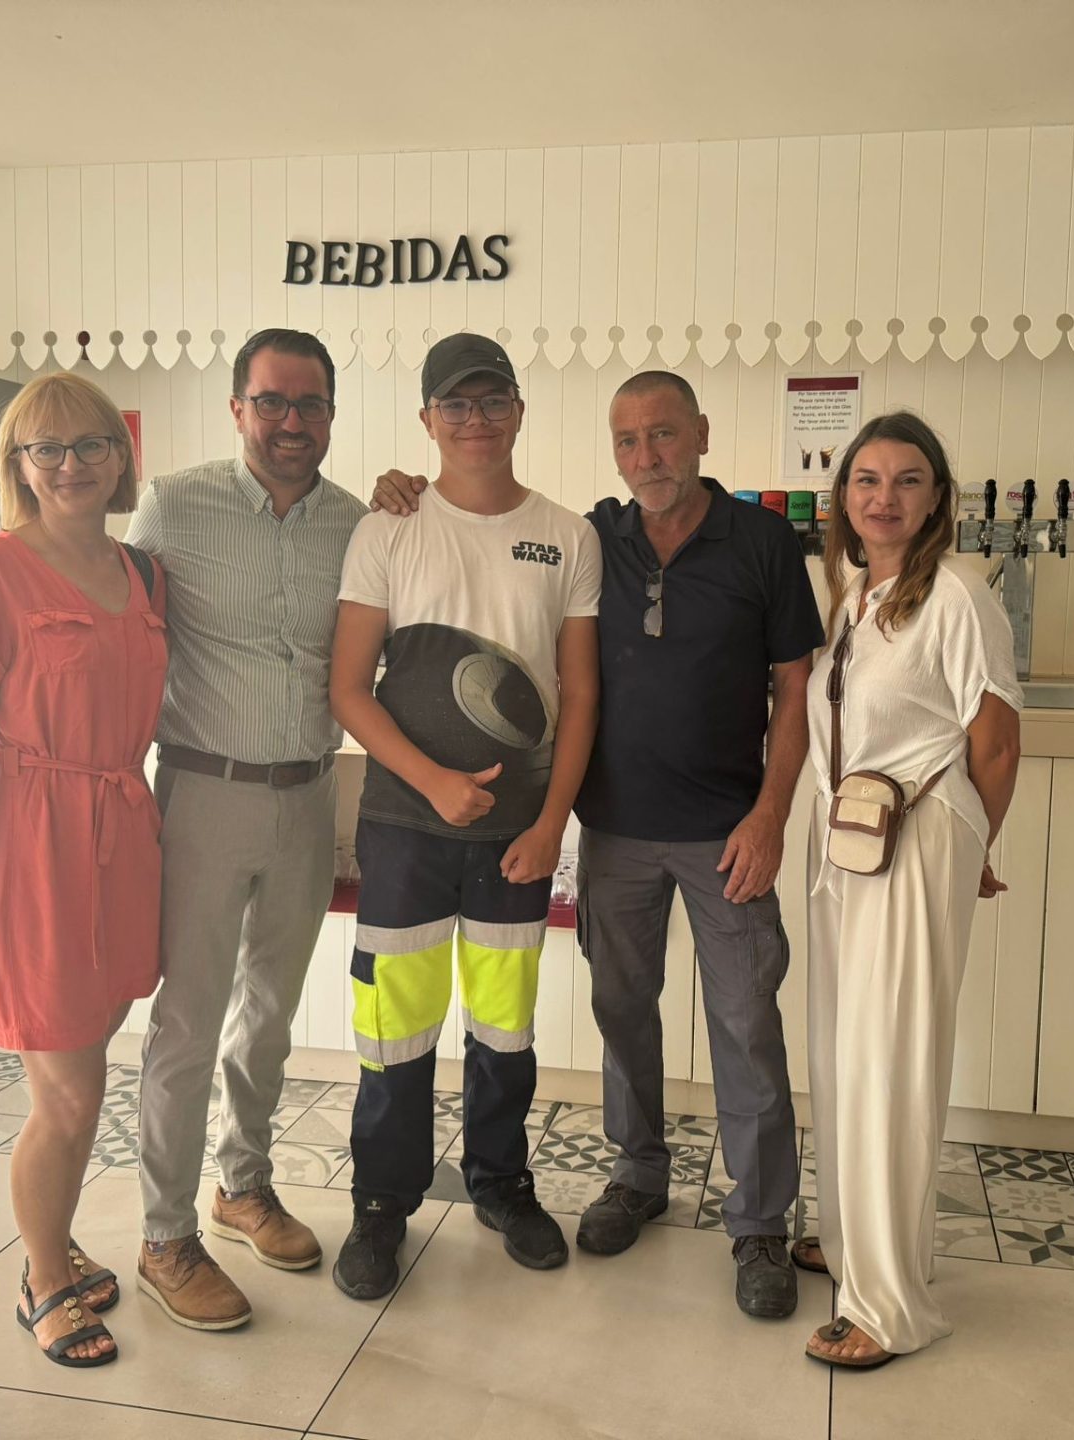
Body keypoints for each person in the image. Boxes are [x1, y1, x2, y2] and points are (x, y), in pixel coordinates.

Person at [371, 370, 822, 1318]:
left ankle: (759, 1223)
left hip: (728, 833)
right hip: (614, 830)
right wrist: (398, 484)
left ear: (702, 433)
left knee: (746, 1021)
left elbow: (795, 688)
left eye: (664, 435)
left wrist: (772, 814)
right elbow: (501, 562)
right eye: (627, 440)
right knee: (622, 1009)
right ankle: (639, 1173)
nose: (647, 457)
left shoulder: (763, 542)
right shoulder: (593, 538)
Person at [329, 332, 601, 1301]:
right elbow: (348, 688)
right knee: (393, 1032)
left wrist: (551, 824)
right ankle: (380, 1204)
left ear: (520, 411)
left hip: (515, 839)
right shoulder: (388, 528)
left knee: (504, 1030)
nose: (475, 420)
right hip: (406, 829)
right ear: (427, 420)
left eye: (492, 402)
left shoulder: (568, 535)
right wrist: (434, 781)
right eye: (456, 404)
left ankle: (502, 1185)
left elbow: (580, 693)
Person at [127, 329, 365, 1330]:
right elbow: (120, 636)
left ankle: (243, 1186)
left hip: (308, 795)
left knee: (269, 1012)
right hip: (203, 792)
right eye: (272, 401)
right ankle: (163, 1236)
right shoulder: (173, 506)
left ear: (332, 414)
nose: (291, 422)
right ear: (238, 408)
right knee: (189, 1020)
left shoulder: (356, 522)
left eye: (310, 404)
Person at [0, 372, 163, 1369]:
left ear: (120, 455)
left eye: (91, 444)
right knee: (67, 1092)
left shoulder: (141, 573)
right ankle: (42, 1279)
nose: (71, 465)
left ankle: (54, 1236)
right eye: (47, 449)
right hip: (30, 844)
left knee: (88, 1060)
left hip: (121, 830)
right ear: (17, 464)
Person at [793, 410, 1022, 1369]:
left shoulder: (959, 595)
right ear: (844, 497)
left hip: (915, 839)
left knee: (892, 1062)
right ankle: (853, 1241)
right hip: (849, 841)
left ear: (937, 500)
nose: (884, 497)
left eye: (907, 480)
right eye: (867, 480)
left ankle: (889, 1306)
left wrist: (972, 849)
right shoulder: (856, 593)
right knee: (844, 1050)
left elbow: (996, 742)